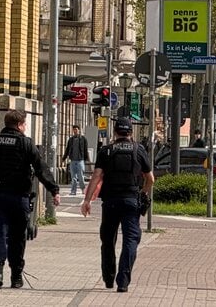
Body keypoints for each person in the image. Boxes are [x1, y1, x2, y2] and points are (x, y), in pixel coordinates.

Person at [0, 109, 60, 289]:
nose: (25, 127)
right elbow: (41, 168)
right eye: (25, 124)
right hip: (19, 197)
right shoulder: (26, 143)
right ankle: (16, 275)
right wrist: (54, 190)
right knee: (18, 236)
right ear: (19, 125)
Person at [81, 118, 154, 293]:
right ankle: (123, 281)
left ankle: (108, 278)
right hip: (131, 201)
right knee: (130, 240)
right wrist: (143, 192)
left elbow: (96, 176)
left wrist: (87, 200)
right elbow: (150, 179)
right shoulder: (138, 150)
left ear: (114, 132)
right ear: (131, 132)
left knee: (107, 240)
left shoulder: (106, 151)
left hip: (110, 202)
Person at [62, 124, 89, 195]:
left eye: (76, 130)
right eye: (74, 130)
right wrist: (64, 158)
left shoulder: (83, 139)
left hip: (80, 160)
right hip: (73, 160)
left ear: (79, 130)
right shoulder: (71, 140)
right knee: (73, 177)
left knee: (81, 176)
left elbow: (85, 149)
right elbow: (67, 149)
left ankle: (83, 189)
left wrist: (86, 159)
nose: (75, 131)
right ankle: (73, 191)